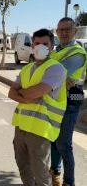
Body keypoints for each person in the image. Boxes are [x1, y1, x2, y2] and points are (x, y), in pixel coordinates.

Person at [8, 29, 67, 185]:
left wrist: (21, 92)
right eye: (37, 43)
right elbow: (11, 93)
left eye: (45, 44)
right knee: (22, 166)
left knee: (40, 172)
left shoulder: (56, 68)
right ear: (32, 46)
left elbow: (33, 92)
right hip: (21, 127)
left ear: (52, 46)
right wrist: (25, 95)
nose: (40, 47)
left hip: (41, 130)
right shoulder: (27, 68)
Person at [50, 17, 87, 186]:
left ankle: (69, 182)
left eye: (67, 29)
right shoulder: (56, 51)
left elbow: (57, 75)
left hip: (71, 101)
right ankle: (55, 174)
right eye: (60, 30)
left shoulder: (77, 52)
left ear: (75, 31)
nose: (63, 32)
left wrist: (50, 72)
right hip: (54, 100)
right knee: (53, 139)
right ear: (56, 32)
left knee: (64, 144)